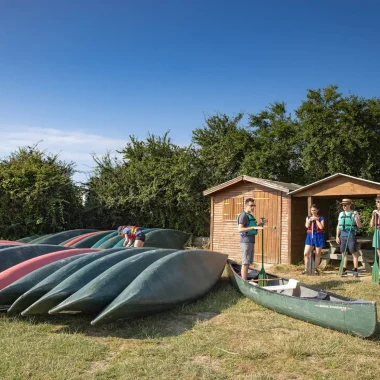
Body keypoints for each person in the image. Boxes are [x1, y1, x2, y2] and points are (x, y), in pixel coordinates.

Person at [237, 198, 266, 281]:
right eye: (251, 205)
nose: (253, 207)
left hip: (251, 241)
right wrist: (252, 227)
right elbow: (240, 229)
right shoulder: (243, 216)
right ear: (246, 206)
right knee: (245, 263)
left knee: (248, 262)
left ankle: (245, 279)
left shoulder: (251, 216)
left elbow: (253, 227)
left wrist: (261, 223)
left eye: (254, 205)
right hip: (245, 242)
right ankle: (244, 282)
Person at [336, 198, 362, 277]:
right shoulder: (341, 214)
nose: (344, 206)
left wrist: (356, 217)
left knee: (353, 252)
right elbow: (338, 226)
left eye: (345, 205)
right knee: (344, 253)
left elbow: (360, 226)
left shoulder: (354, 213)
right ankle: (344, 269)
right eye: (343, 205)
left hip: (351, 234)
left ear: (349, 205)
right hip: (342, 234)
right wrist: (337, 236)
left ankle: (355, 270)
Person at [301, 204, 325, 275]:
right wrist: (309, 220)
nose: (313, 212)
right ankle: (306, 268)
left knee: (317, 253)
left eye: (314, 210)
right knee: (306, 253)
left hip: (318, 236)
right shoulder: (308, 217)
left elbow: (321, 227)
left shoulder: (321, 218)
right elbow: (306, 226)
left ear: (317, 210)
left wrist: (316, 220)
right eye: (312, 210)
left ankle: (315, 269)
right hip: (310, 235)